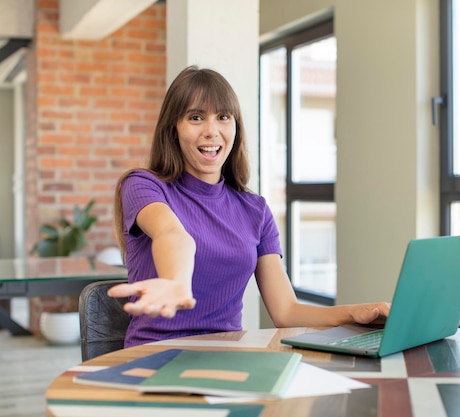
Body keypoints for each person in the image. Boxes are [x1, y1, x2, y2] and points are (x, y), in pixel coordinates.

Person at [107, 65, 390, 347]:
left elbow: (286, 311)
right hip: (153, 354)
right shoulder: (143, 185)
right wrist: (177, 282)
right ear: (173, 129)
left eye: (223, 117)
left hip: (227, 358)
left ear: (236, 127)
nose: (211, 131)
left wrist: (354, 313)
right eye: (195, 117)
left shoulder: (255, 210)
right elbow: (173, 234)